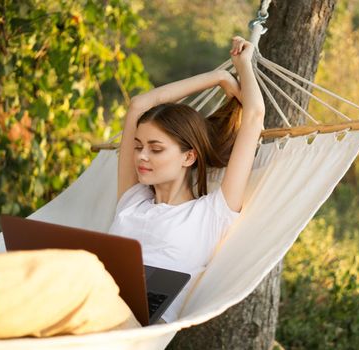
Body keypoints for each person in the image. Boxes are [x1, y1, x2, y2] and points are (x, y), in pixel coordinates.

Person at [107, 36, 265, 324]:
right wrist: (218, 77)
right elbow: (140, 105)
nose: (141, 156)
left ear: (189, 157)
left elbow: (254, 115)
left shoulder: (212, 212)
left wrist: (242, 67)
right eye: (138, 146)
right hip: (96, 301)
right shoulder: (133, 200)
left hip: (139, 327)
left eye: (155, 149)